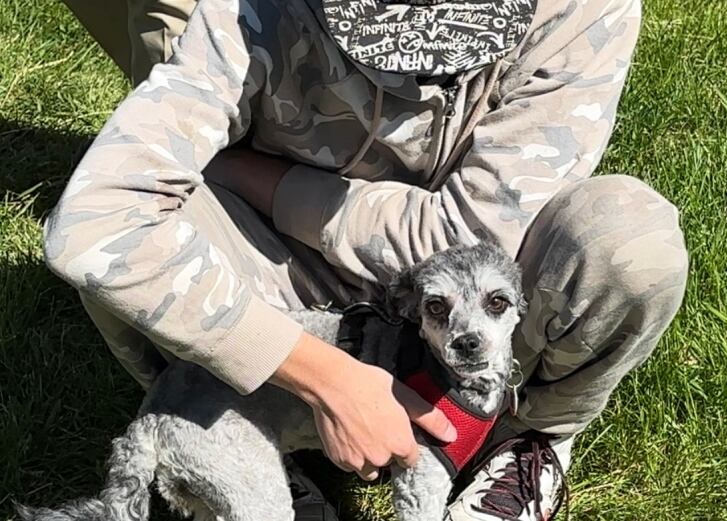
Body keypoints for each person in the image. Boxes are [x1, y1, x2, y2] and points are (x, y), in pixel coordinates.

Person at [47, 0, 688, 519]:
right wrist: (326, 376)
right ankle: (249, 434)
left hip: (463, 285)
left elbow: (467, 234)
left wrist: (268, 182)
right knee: (129, 249)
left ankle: (528, 439)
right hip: (279, 270)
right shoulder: (245, 9)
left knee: (630, 242)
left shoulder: (581, 9)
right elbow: (94, 222)